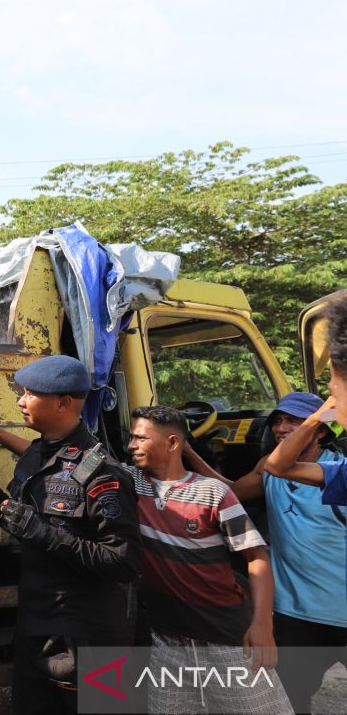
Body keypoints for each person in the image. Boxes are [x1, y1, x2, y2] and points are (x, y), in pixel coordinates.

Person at [183, 392, 345, 714]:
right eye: (278, 422)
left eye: (293, 421)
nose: (281, 428)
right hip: (294, 613)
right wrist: (186, 450)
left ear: (320, 429)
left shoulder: (338, 471)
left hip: (342, 611)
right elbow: (228, 491)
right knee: (288, 700)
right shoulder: (268, 469)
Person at [0, 355, 140, 715]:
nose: (20, 401)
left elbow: (121, 561)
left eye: (30, 394)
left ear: (63, 403)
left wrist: (43, 534)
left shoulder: (102, 472)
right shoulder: (36, 456)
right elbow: (18, 522)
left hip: (88, 633)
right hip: (35, 626)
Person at [127, 406, 292, 714]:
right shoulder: (132, 483)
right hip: (168, 638)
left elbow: (256, 557)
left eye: (140, 438)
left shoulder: (214, 494)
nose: (131, 446)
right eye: (131, 437)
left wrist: (262, 625)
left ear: (173, 443)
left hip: (227, 636)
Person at [264, 297, 347, 506]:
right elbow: (277, 467)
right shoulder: (342, 472)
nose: (330, 388)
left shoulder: (337, 464)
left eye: (333, 381)